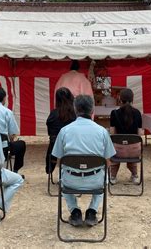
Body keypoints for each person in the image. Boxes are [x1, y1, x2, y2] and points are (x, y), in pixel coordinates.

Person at [52, 95, 116, 227]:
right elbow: (108, 161)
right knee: (105, 175)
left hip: (71, 181)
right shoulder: (102, 131)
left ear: (75, 109)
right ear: (92, 110)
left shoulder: (64, 131)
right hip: (95, 181)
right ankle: (92, 211)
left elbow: (59, 162)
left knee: (61, 175)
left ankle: (74, 211)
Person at [0, 87, 26, 177]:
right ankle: (15, 171)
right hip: (3, 148)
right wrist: (11, 141)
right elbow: (12, 133)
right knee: (21, 144)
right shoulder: (7, 112)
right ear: (4, 98)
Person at [109, 88, 143, 185]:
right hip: (134, 152)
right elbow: (139, 134)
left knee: (115, 146)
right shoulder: (137, 113)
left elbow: (112, 133)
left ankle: (113, 176)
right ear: (132, 99)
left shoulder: (114, 113)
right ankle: (135, 175)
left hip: (118, 151)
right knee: (131, 146)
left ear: (120, 99)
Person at [45, 87, 76, 174]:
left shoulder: (53, 114)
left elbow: (50, 133)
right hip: (74, 149)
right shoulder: (75, 114)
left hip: (54, 150)